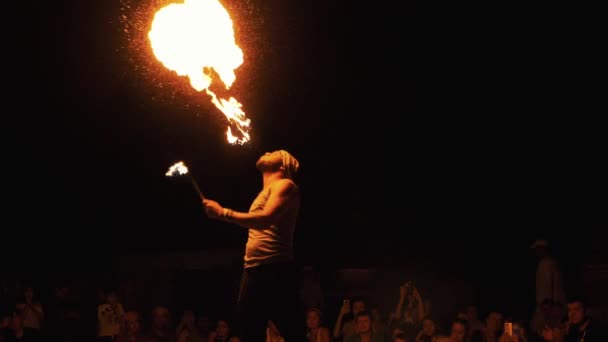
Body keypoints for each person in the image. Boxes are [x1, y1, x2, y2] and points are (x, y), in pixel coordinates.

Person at [202, 149, 302, 342]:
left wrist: (223, 213)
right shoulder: (265, 192)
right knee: (250, 332)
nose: (266, 152)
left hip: (275, 269)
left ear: (283, 165)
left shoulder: (286, 185)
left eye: (273, 152)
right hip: (254, 269)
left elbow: (265, 219)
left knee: (292, 332)